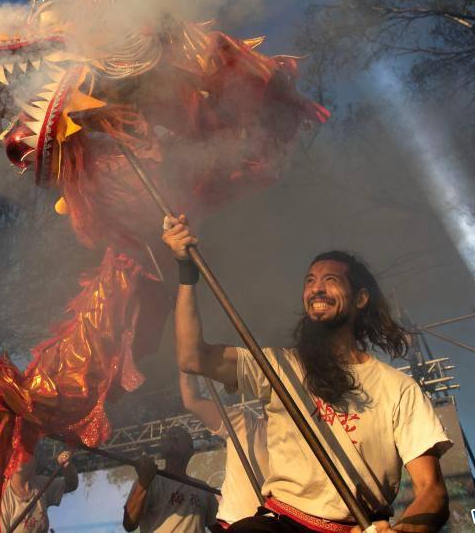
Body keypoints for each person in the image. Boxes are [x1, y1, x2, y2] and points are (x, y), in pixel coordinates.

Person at [162, 214, 452, 533]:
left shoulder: (399, 389)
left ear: (361, 298)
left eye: (331, 280)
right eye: (310, 280)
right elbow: (192, 357)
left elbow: (432, 490)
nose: (317, 288)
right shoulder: (278, 366)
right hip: (283, 524)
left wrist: (401, 531)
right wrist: (186, 272)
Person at [179, 372, 268, 526]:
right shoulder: (247, 425)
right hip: (238, 524)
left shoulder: (306, 437)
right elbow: (192, 401)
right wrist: (186, 365)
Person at [123, 425, 219, 532]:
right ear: (162, 449)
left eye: (178, 437)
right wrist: (143, 482)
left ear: (191, 450)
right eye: (168, 437)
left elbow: (217, 527)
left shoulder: (203, 489)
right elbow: (128, 524)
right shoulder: (151, 480)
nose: (172, 438)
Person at [0, 451, 79, 533]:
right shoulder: (3, 497)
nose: (21, 457)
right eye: (16, 454)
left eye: (27, 452)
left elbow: (71, 485)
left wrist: (68, 467)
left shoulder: (40, 484)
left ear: (34, 460)